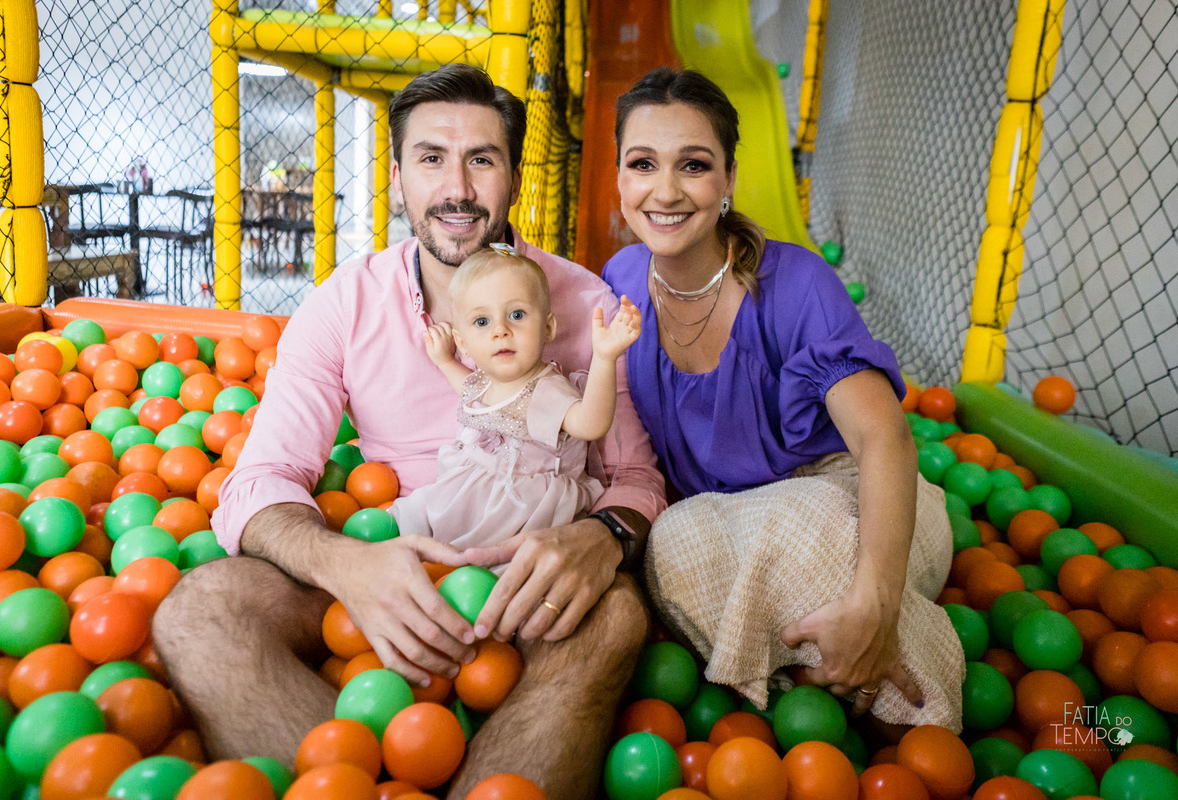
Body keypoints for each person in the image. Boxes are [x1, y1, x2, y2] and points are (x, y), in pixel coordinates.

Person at [152, 64, 666, 799]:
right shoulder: (344, 304)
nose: (457, 188)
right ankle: (353, 780)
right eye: (431, 159)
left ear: (514, 177)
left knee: (616, 617)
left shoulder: (582, 303)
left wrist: (600, 537)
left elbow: (639, 480)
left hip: (528, 581)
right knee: (199, 611)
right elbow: (260, 480)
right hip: (387, 556)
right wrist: (347, 567)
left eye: (481, 159)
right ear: (397, 178)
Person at [602, 67, 963, 730]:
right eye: (642, 164)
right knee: (675, 543)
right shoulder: (619, 283)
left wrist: (876, 601)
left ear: (730, 178)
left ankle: (909, 714)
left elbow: (885, 441)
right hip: (725, 524)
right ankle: (816, 690)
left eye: (695, 165)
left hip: (856, 505)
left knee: (791, 529)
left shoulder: (795, 281)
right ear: (620, 177)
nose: (666, 189)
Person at [388, 245, 642, 551]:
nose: (500, 330)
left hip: (523, 507)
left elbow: (591, 424)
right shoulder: (482, 383)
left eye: (517, 315)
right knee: (416, 517)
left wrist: (604, 357)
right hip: (472, 491)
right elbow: (468, 392)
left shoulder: (546, 390)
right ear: (462, 342)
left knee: (490, 557)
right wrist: (445, 360)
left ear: (547, 327)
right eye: (482, 322)